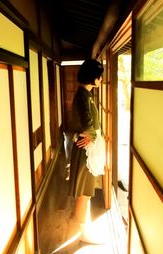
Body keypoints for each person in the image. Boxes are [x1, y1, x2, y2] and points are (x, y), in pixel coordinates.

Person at [68, 59, 106, 244]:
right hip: (86, 151)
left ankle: (86, 229)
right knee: (84, 194)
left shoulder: (85, 94)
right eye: (100, 76)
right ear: (94, 77)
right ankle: (84, 234)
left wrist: (91, 135)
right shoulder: (83, 96)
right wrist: (91, 135)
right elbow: (88, 125)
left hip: (87, 148)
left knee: (87, 193)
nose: (101, 79)